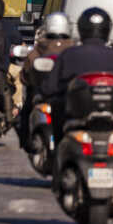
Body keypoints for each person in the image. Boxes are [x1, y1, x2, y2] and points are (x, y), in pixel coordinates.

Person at [41, 7, 113, 145]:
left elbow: (50, 88)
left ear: (82, 29)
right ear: (107, 30)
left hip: (72, 128)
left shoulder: (69, 55)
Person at [17, 11, 74, 147]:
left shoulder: (39, 48)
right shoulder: (73, 48)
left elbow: (26, 75)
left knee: (23, 115)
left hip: (41, 93)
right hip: (67, 94)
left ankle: (26, 142)